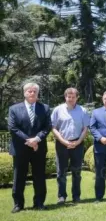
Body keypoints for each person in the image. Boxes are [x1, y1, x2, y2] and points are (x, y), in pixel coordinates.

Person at [8, 82, 52, 213]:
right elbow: (13, 127)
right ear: (24, 93)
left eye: (34, 91)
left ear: (37, 93)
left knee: (39, 176)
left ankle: (39, 203)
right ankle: (18, 204)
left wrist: (37, 139)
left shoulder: (44, 108)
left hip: (38, 148)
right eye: (29, 91)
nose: (32, 93)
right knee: (19, 177)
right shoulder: (14, 109)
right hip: (20, 148)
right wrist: (29, 140)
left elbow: (47, 126)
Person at [51, 87, 90, 204]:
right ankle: (62, 196)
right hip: (62, 144)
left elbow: (85, 128)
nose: (71, 99)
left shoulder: (83, 110)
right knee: (61, 172)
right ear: (65, 97)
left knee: (77, 172)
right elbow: (53, 127)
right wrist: (63, 141)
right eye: (69, 97)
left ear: (77, 98)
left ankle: (76, 196)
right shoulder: (57, 110)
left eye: (73, 97)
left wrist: (78, 142)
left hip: (77, 143)